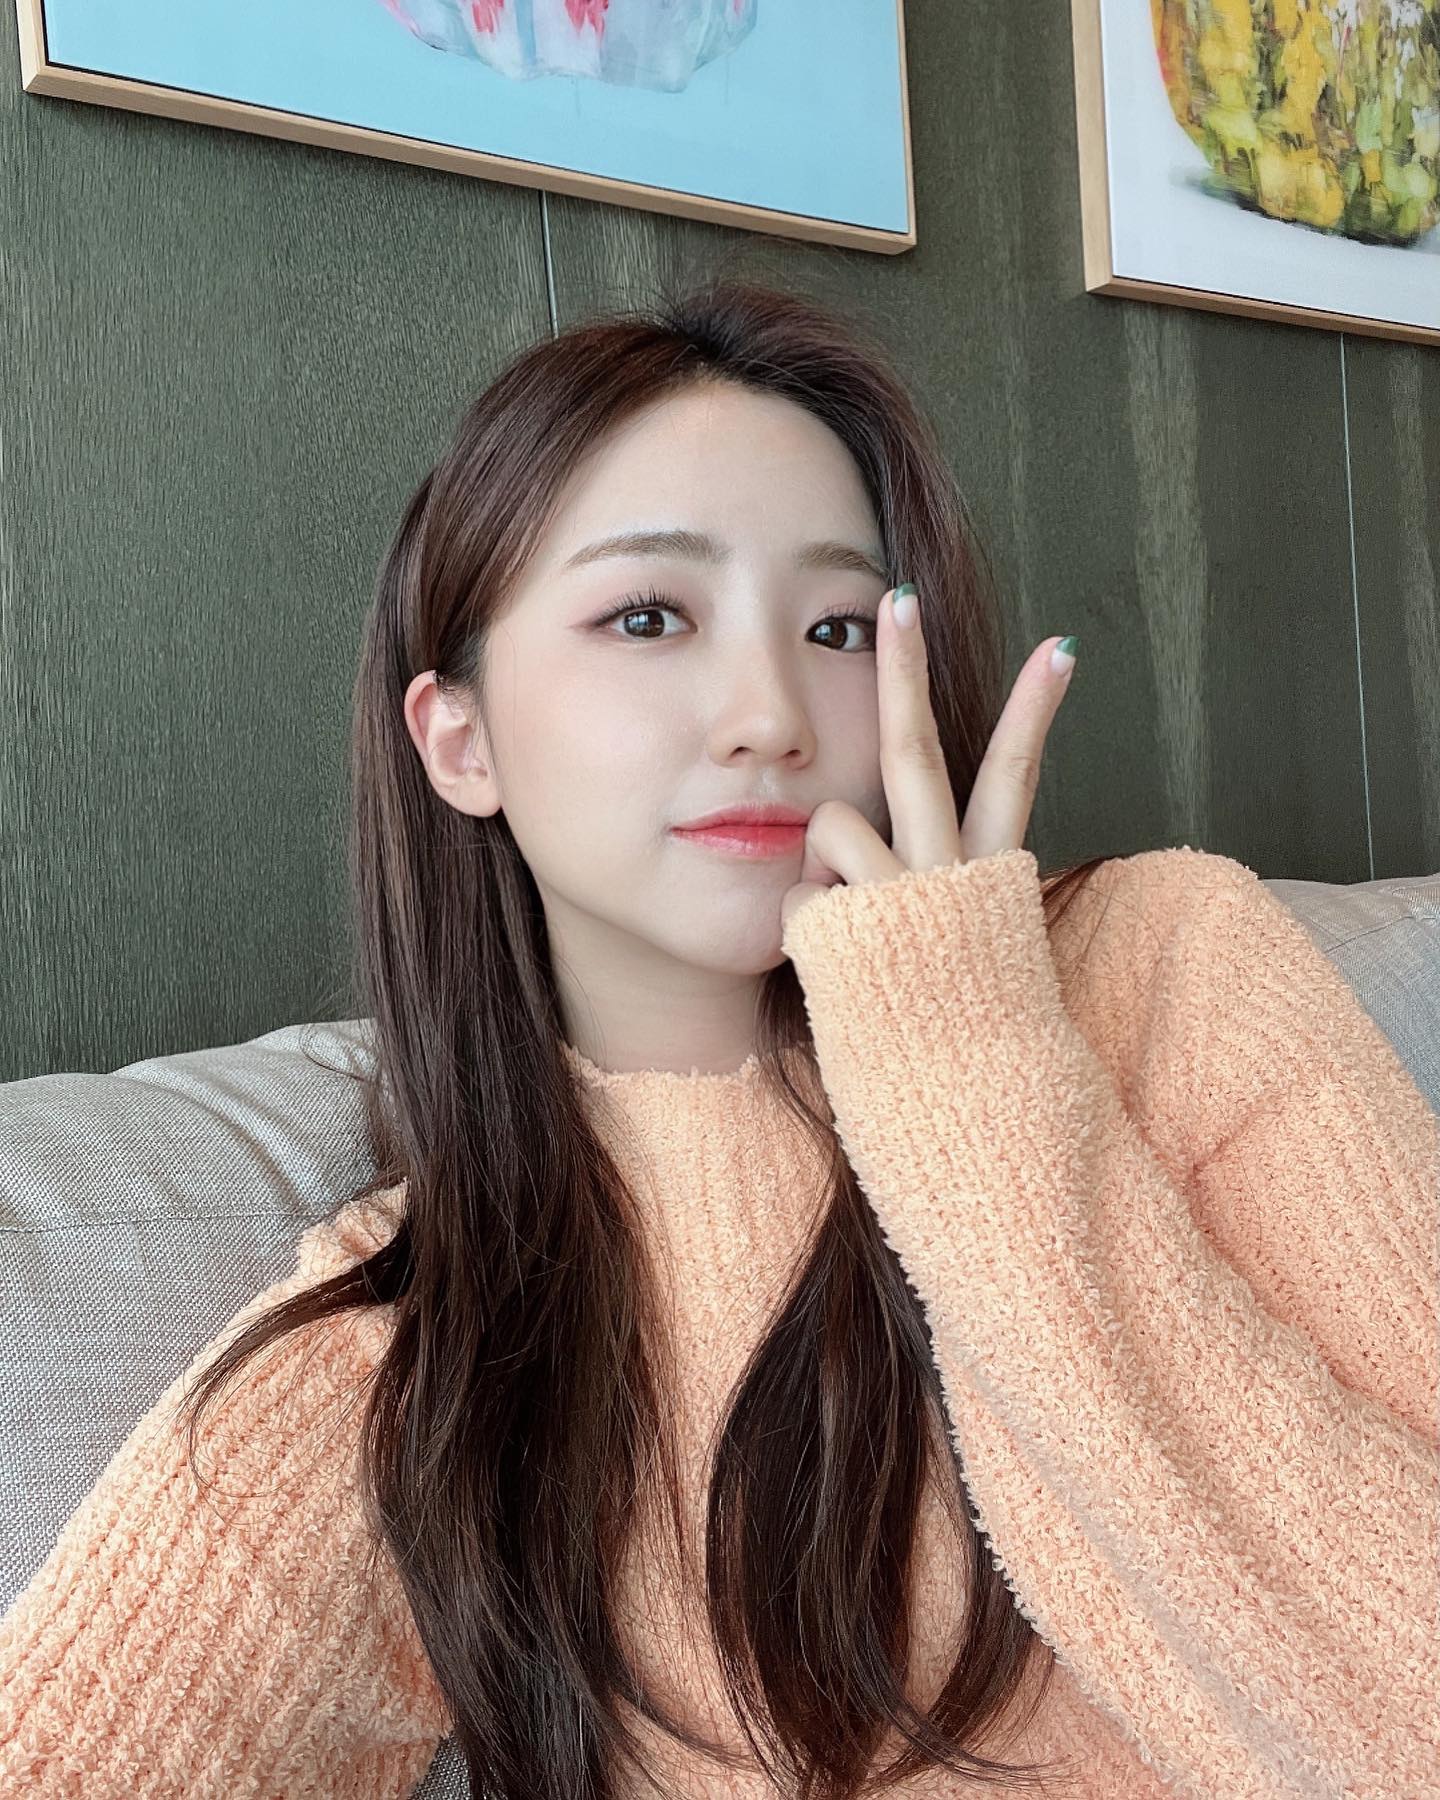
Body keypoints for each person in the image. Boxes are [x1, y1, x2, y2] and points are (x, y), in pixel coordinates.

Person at [2, 279, 1435, 1800]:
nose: (770, 716)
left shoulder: (1168, 968)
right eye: (648, 617)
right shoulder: (421, 1360)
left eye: (837, 626)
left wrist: (970, 1069)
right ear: (460, 740)